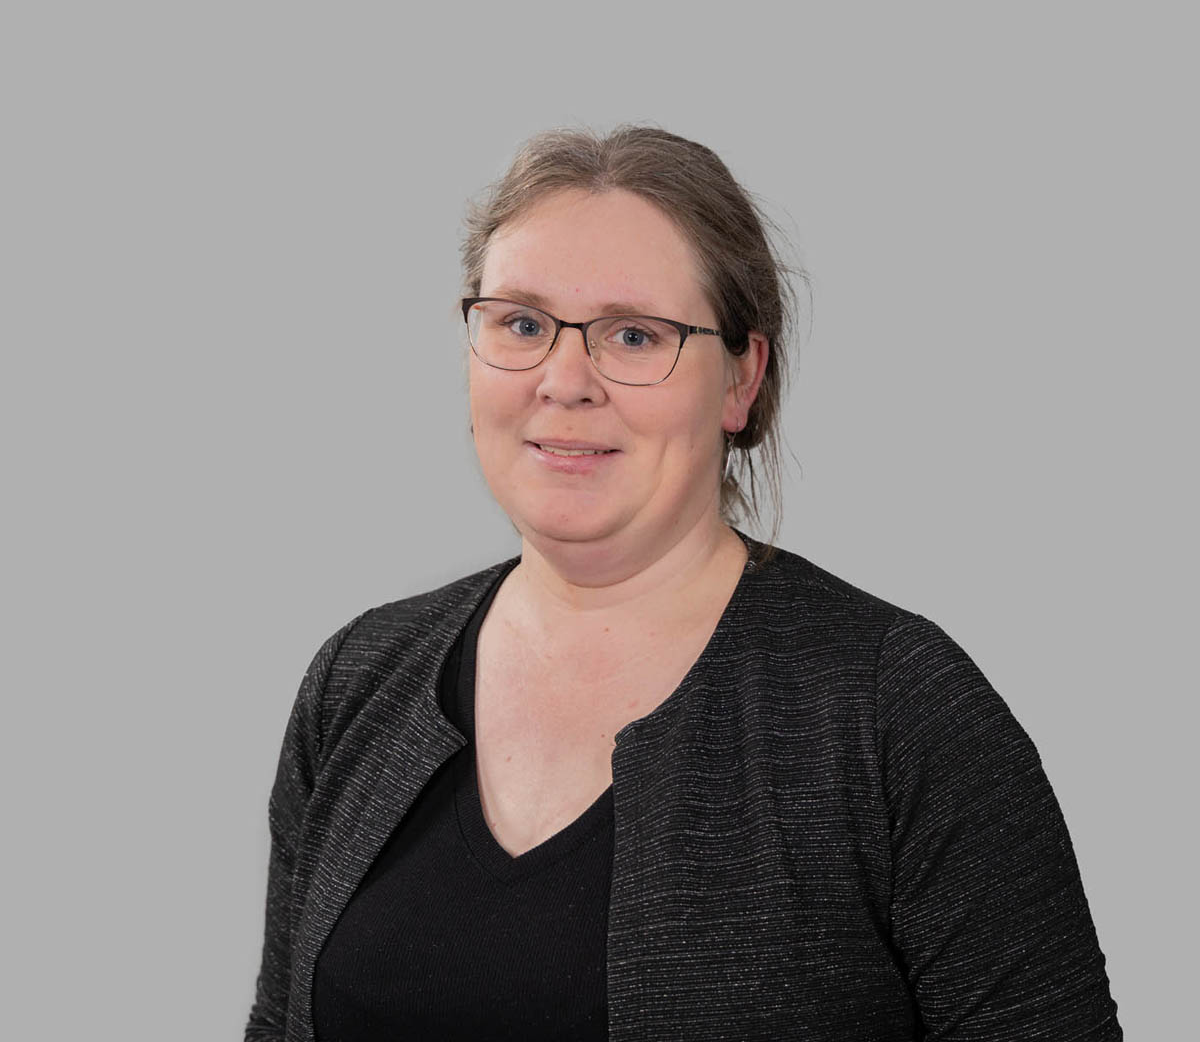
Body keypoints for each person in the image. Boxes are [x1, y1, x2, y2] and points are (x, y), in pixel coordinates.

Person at [245, 125, 1122, 1041]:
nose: (564, 381)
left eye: (634, 335)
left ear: (742, 380)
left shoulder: (895, 709)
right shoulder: (357, 680)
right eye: (522, 324)